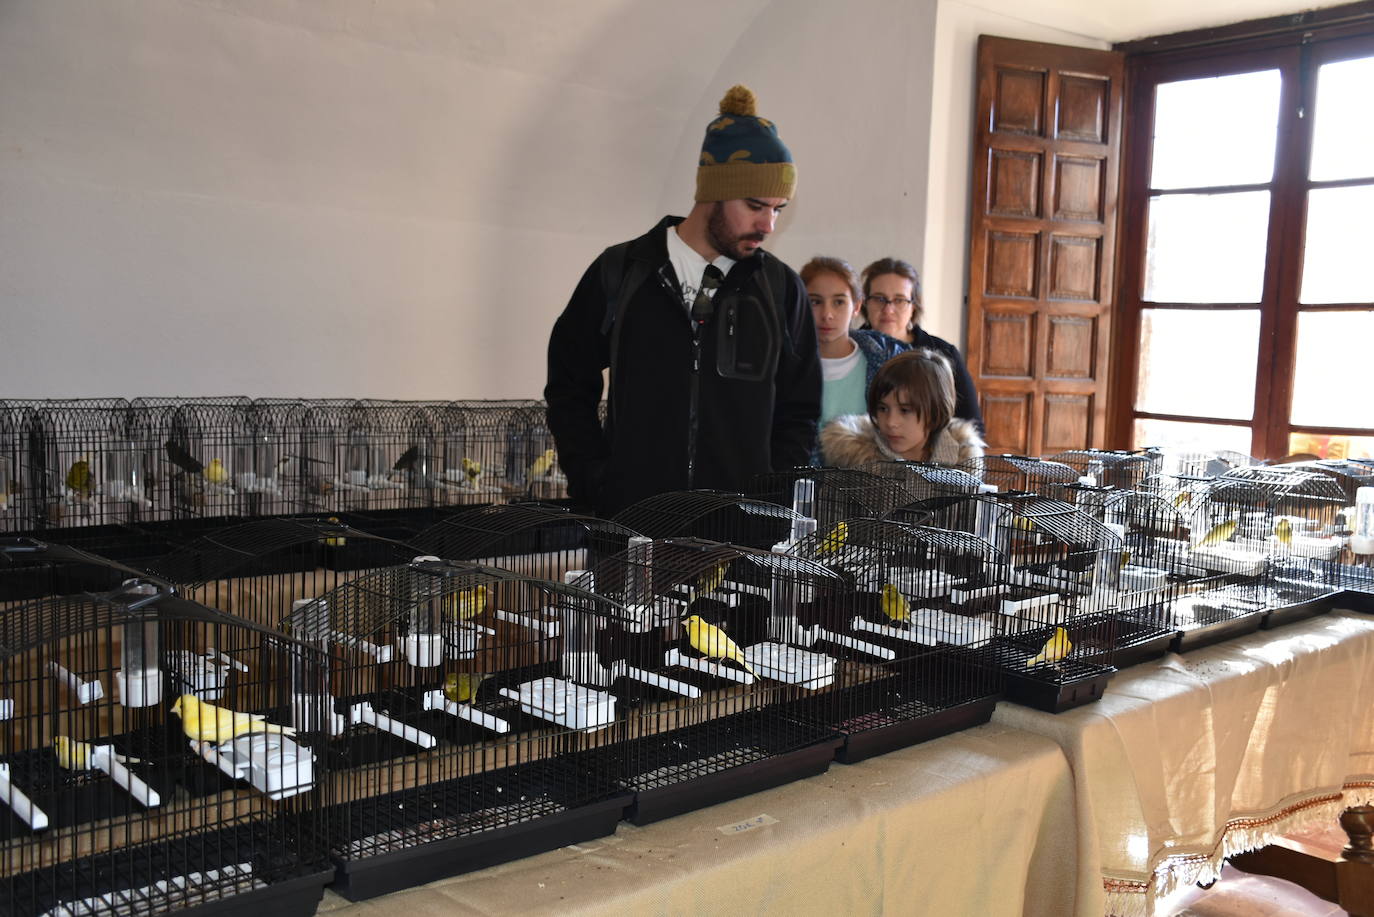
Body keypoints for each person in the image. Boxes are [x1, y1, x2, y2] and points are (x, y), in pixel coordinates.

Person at [545, 85, 820, 517]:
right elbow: (568, 385)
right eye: (754, 205)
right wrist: (595, 479)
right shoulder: (622, 271)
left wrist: (771, 500)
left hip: (743, 543)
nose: (767, 223)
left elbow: (800, 410)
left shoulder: (782, 290)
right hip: (632, 531)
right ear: (712, 192)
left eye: (779, 209)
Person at [857, 257, 983, 430]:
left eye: (899, 300)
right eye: (879, 298)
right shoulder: (849, 348)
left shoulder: (943, 353)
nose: (888, 309)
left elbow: (971, 425)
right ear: (865, 303)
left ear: (913, 307)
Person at [819, 349, 985, 467]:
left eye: (905, 410)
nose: (891, 422)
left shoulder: (962, 463)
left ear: (936, 412)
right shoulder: (851, 460)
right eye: (883, 408)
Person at [801, 256, 907, 430]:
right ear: (801, 304)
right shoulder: (783, 364)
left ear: (856, 307)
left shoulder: (887, 365)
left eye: (839, 302)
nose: (827, 314)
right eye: (815, 302)